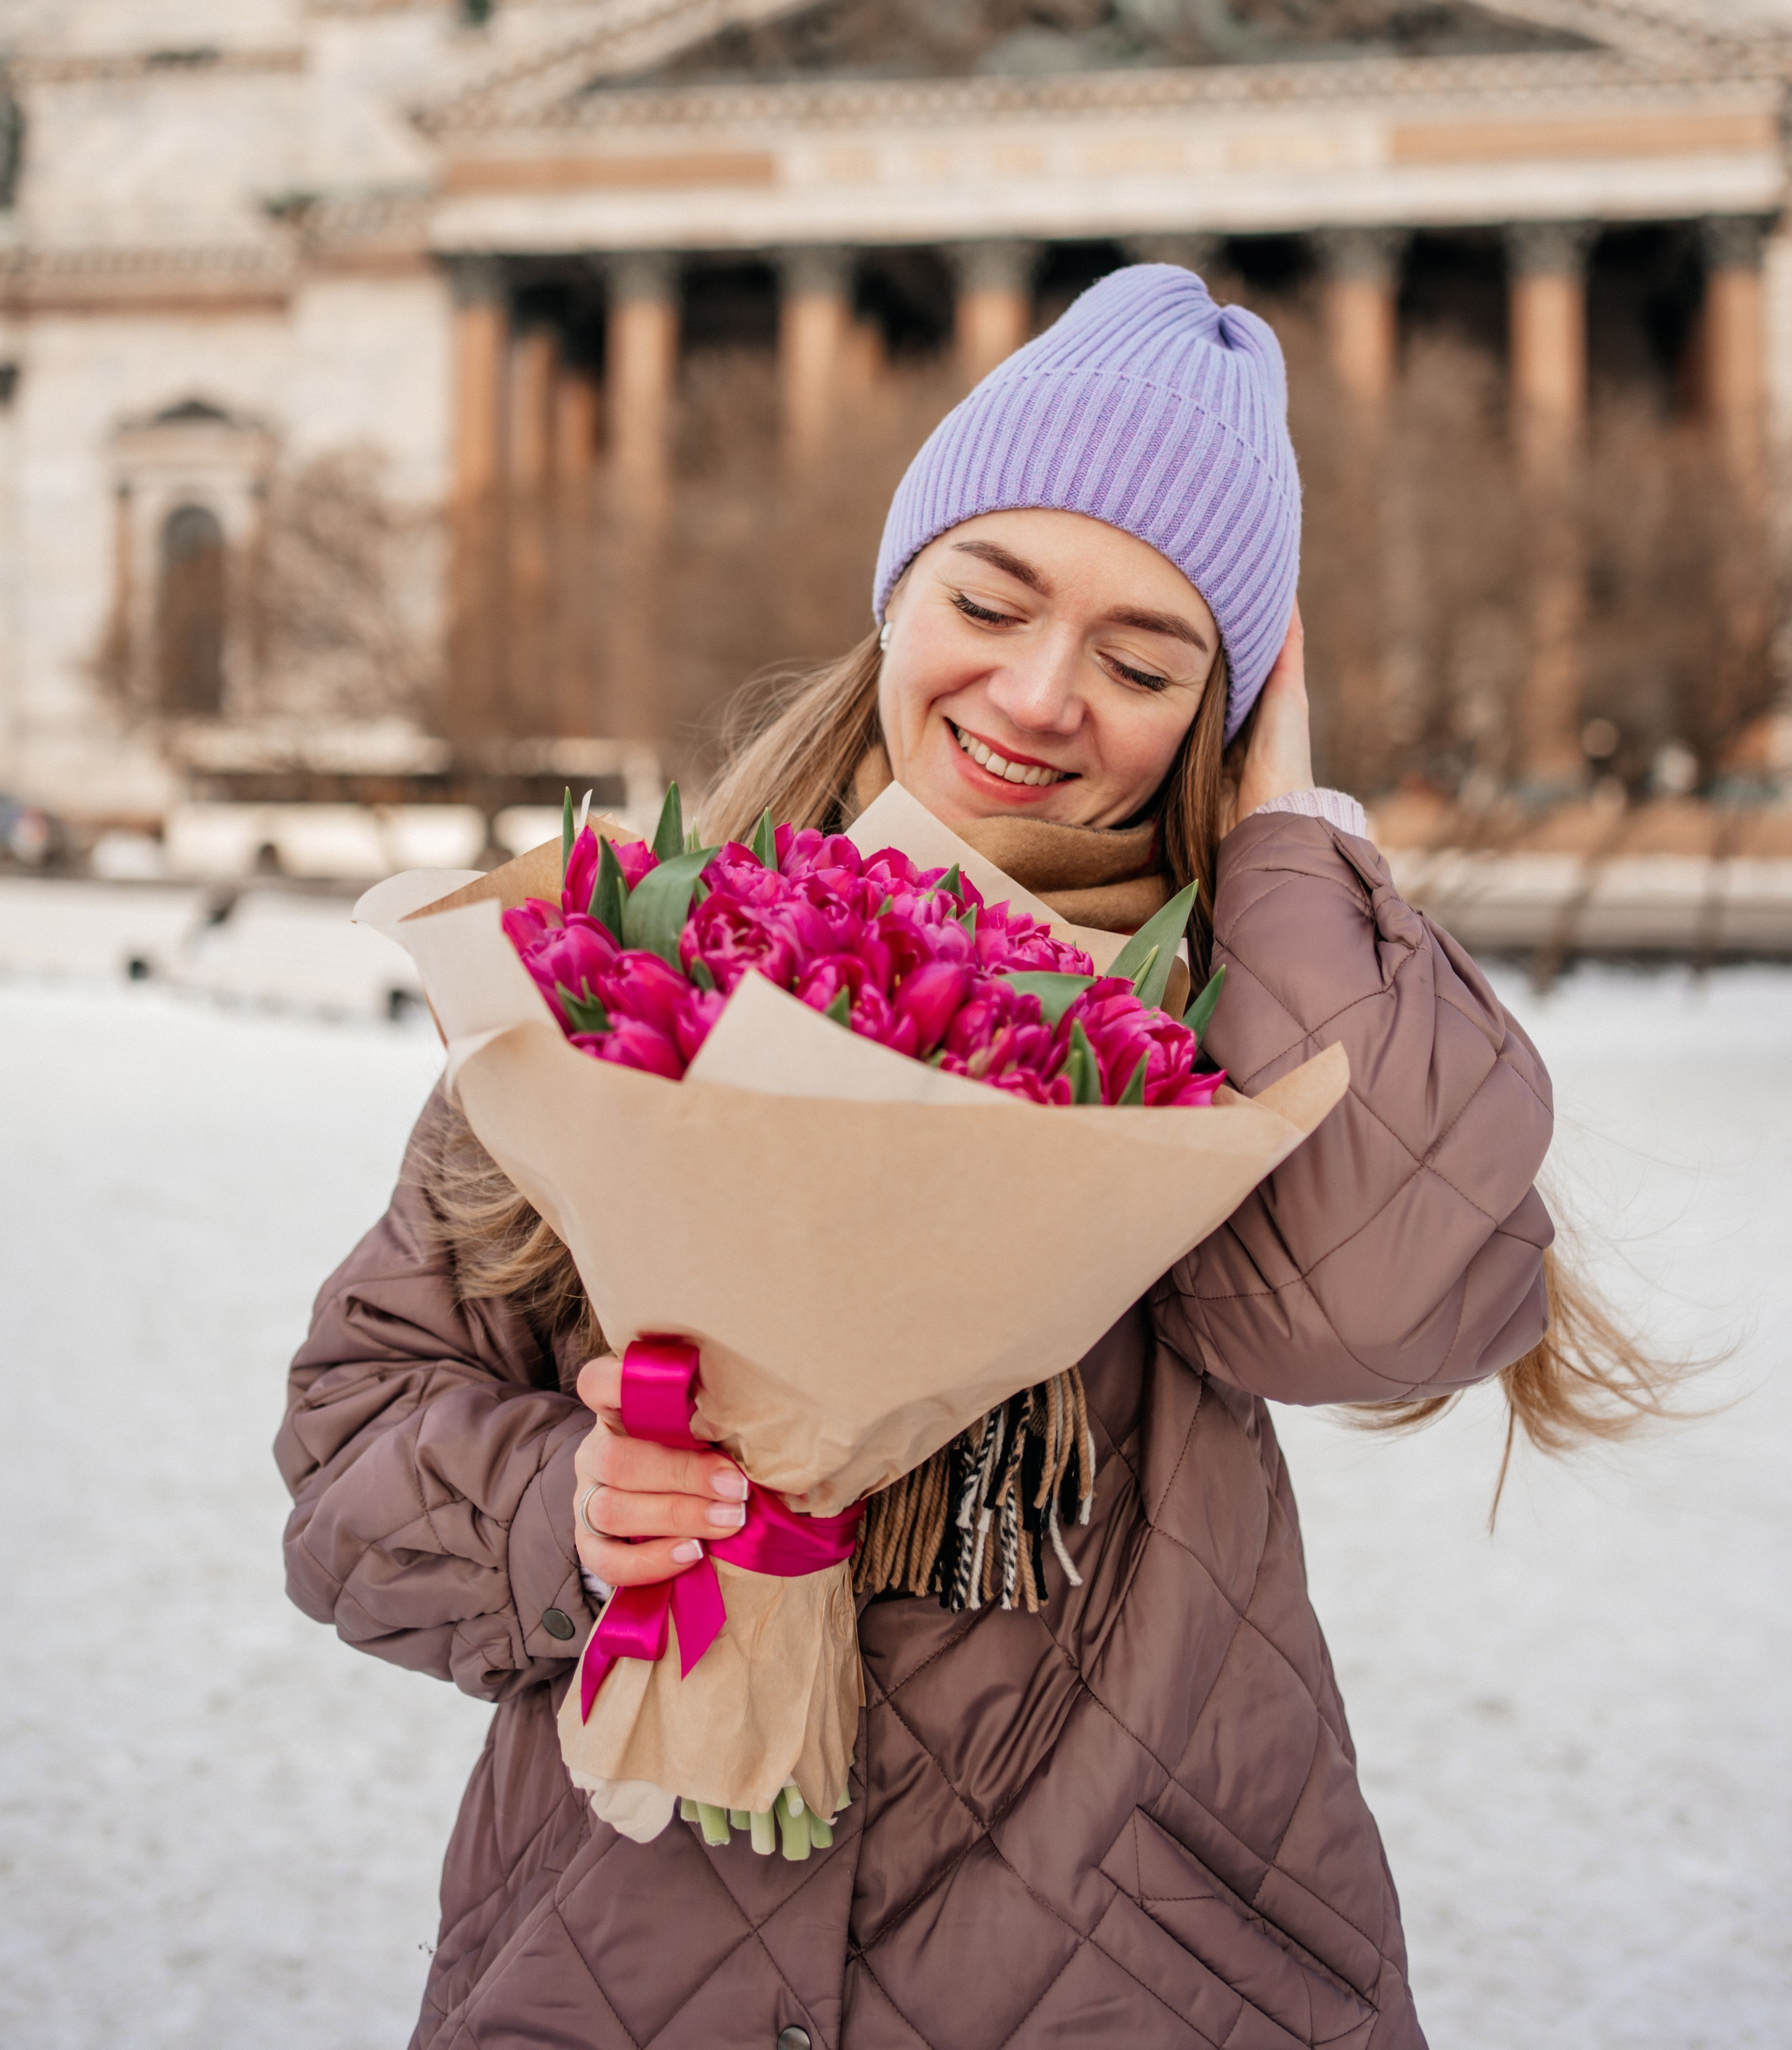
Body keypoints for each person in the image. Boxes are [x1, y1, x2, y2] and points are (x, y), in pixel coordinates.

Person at [279, 266, 1660, 2050]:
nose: (1038, 692)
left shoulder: (1261, 1016)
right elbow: (352, 1461)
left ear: (1220, 710)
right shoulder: (633, 952)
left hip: (1131, 1968)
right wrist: (568, 1513)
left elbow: (1380, 1309)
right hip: (627, 1965)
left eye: (1145, 659)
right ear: (895, 592)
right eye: (987, 600)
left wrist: (1292, 843)